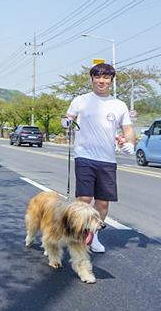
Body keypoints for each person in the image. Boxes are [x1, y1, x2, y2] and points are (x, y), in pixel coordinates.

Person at [63, 63, 135, 253]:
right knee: (84, 198)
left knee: (102, 203)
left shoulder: (119, 105)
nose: (101, 81)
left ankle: (93, 236)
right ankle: (77, 234)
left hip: (107, 159)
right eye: (98, 77)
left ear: (111, 81)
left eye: (106, 78)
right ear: (92, 79)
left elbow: (127, 128)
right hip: (84, 156)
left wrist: (130, 143)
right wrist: (66, 122)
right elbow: (68, 118)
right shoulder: (81, 100)